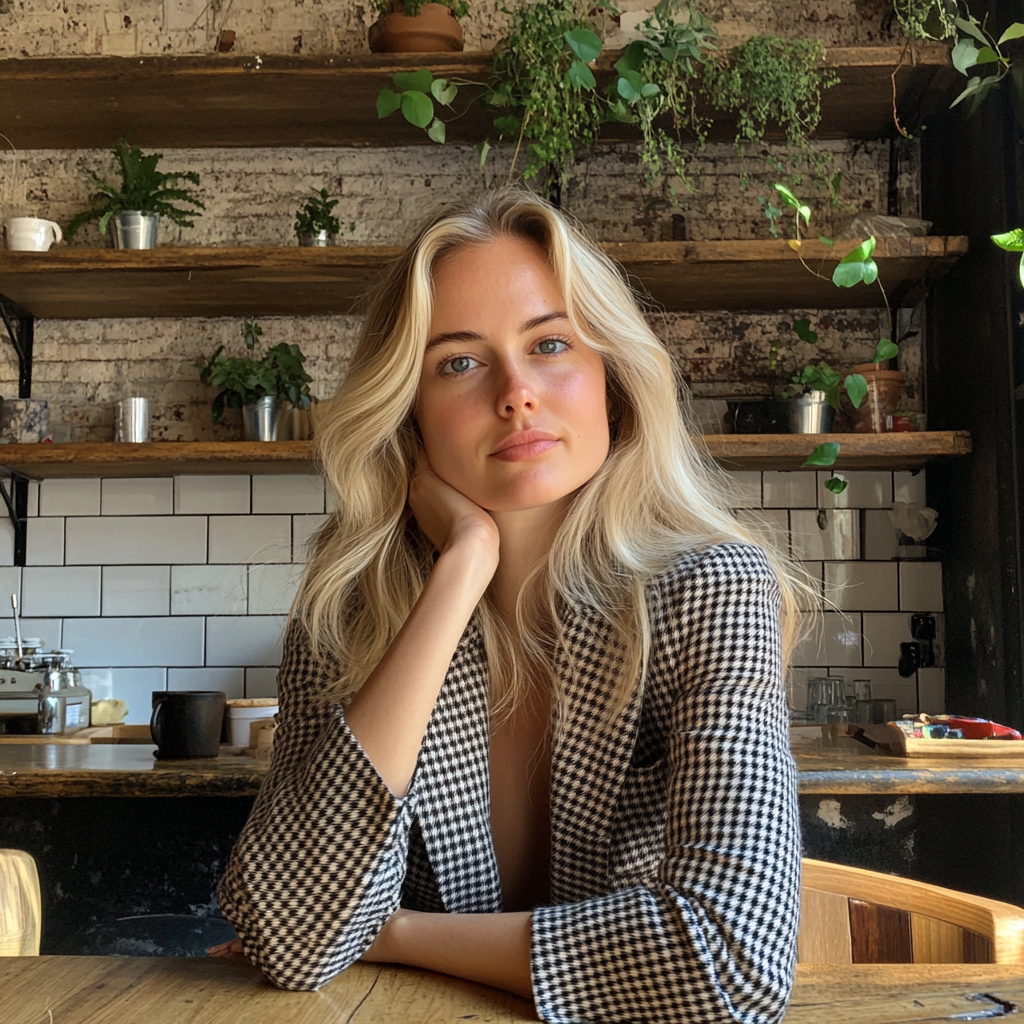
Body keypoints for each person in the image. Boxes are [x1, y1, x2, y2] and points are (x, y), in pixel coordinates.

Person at [213, 186, 804, 1023]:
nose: (517, 392)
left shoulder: (713, 590)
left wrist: (398, 933)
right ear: (409, 415)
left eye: (552, 344)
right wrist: (463, 567)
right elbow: (295, 938)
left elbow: (731, 967)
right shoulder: (349, 612)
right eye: (459, 361)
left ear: (614, 380)